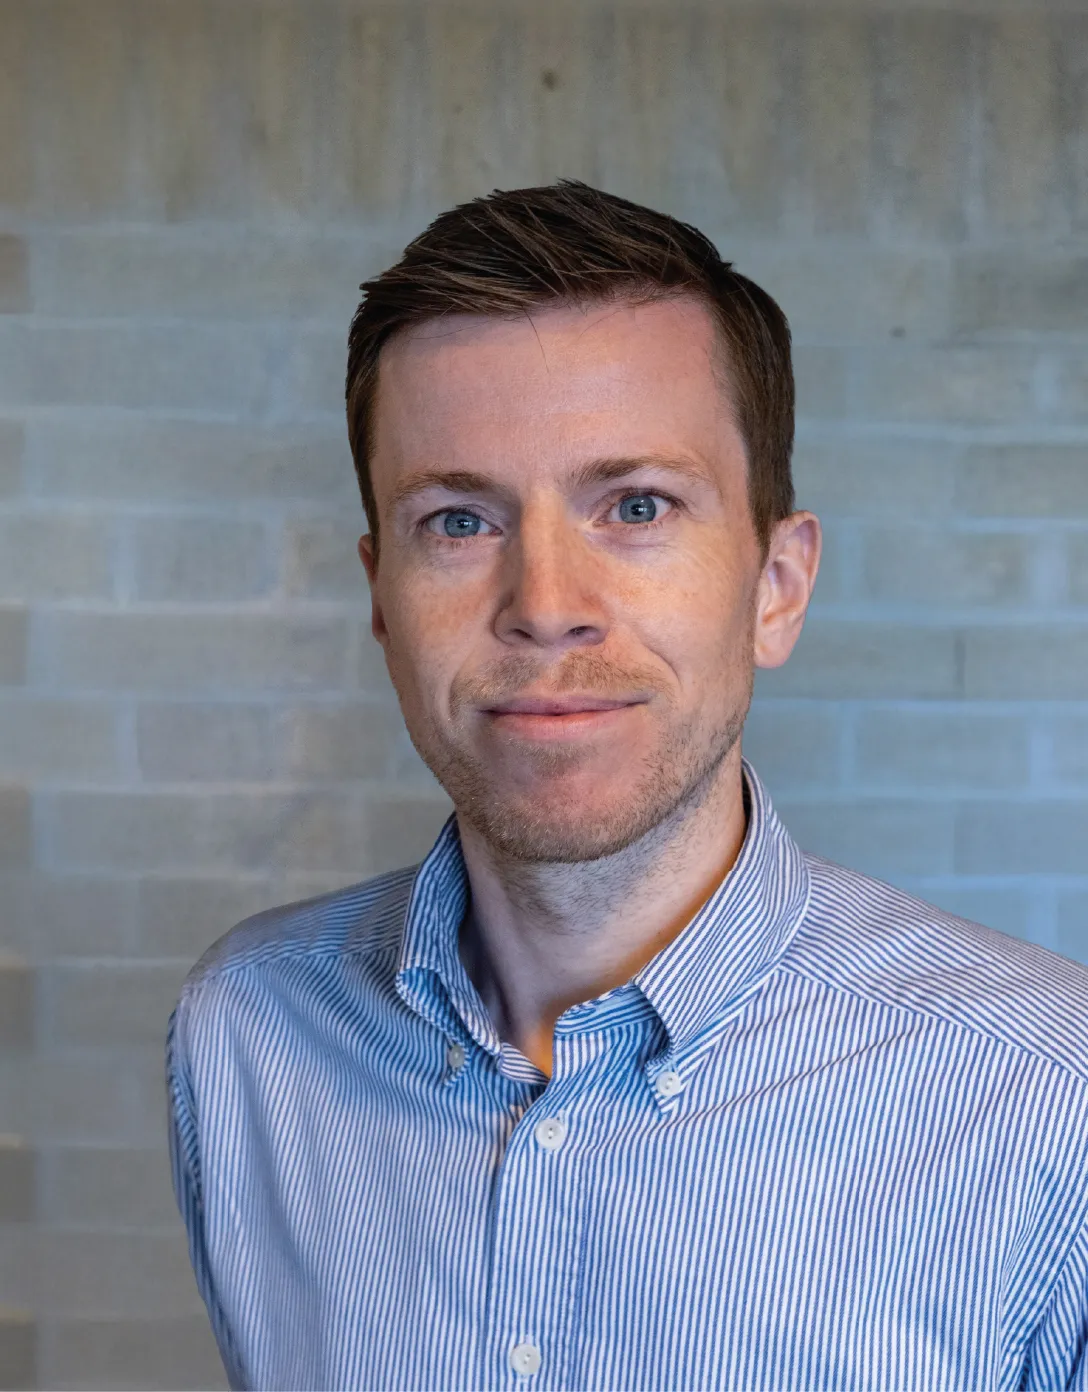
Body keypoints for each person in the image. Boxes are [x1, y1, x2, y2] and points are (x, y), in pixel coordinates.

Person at [166, 180, 1088, 1392]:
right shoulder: (248, 1032)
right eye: (457, 522)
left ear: (775, 587)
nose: (545, 605)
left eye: (635, 506)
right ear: (379, 596)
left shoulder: (1047, 1101)